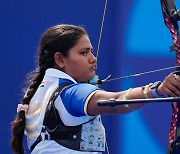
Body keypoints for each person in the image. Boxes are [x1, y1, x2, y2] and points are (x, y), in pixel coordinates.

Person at [11, 24, 180, 154]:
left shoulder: (38, 92)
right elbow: (117, 102)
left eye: (91, 51)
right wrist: (157, 89)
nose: (93, 59)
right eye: (84, 53)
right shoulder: (70, 93)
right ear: (60, 59)